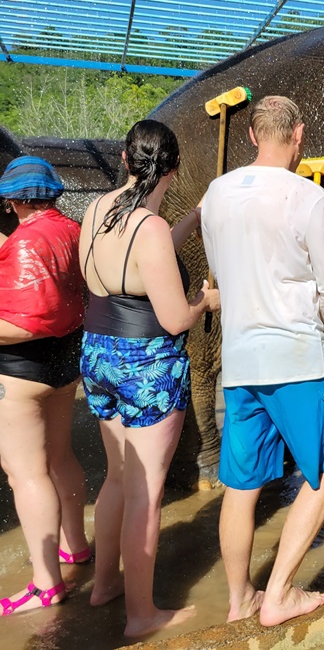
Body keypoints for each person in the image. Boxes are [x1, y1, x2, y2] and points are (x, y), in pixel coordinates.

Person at [200, 95, 324, 627]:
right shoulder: (308, 197)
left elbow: (220, 271)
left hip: (240, 362)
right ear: (299, 135)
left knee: (242, 486)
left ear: (250, 136)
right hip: (298, 358)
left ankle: (240, 600)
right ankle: (280, 593)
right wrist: (319, 327)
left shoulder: (215, 194)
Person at [80, 120, 219, 637]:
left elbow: (135, 264)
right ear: (175, 171)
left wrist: (193, 220)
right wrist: (207, 299)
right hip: (148, 367)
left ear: (123, 158)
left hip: (97, 356)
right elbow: (176, 318)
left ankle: (103, 586)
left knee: (117, 478)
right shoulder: (150, 229)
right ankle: (142, 614)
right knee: (147, 492)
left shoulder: (96, 211)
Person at [0, 156, 88, 615]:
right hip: (64, 363)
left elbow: (27, 321)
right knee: (59, 456)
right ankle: (76, 546)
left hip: (20, 372)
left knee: (26, 472)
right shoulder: (70, 229)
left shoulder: (25, 243)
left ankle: (46, 584)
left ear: (13, 200)